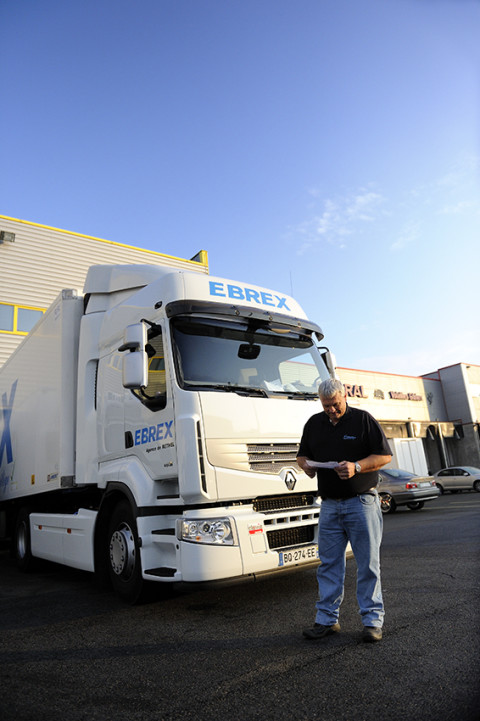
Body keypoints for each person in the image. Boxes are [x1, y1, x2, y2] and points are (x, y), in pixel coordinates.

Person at [297, 378, 392, 643]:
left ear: (344, 396)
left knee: (367, 564)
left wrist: (357, 467)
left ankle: (372, 622)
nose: (331, 410)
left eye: (335, 405)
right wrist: (306, 466)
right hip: (328, 505)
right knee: (328, 565)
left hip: (361, 503)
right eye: (326, 405)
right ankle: (327, 620)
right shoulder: (314, 424)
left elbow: (385, 456)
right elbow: (301, 455)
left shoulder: (363, 420)